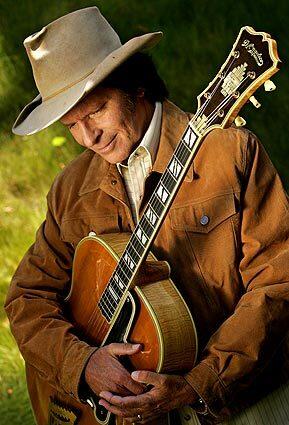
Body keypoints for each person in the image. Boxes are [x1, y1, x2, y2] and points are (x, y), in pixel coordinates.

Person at [5, 6, 289, 425]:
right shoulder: (72, 187)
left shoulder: (230, 155)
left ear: (136, 87)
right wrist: (82, 364)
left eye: (96, 111)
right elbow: (28, 298)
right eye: (71, 125)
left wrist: (200, 382)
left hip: (237, 399)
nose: (89, 138)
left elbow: (278, 282)